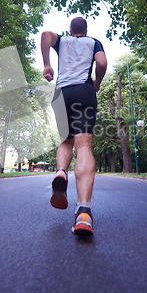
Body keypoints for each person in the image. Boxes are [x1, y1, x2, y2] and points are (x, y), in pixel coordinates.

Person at [41, 17, 107, 236]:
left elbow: (45, 36)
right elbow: (102, 63)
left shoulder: (62, 41)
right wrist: (97, 82)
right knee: (84, 146)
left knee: (65, 141)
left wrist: (47, 64)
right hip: (84, 92)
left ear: (70, 30)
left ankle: (61, 172)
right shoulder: (94, 42)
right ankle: (84, 213)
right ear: (86, 30)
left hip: (61, 94)